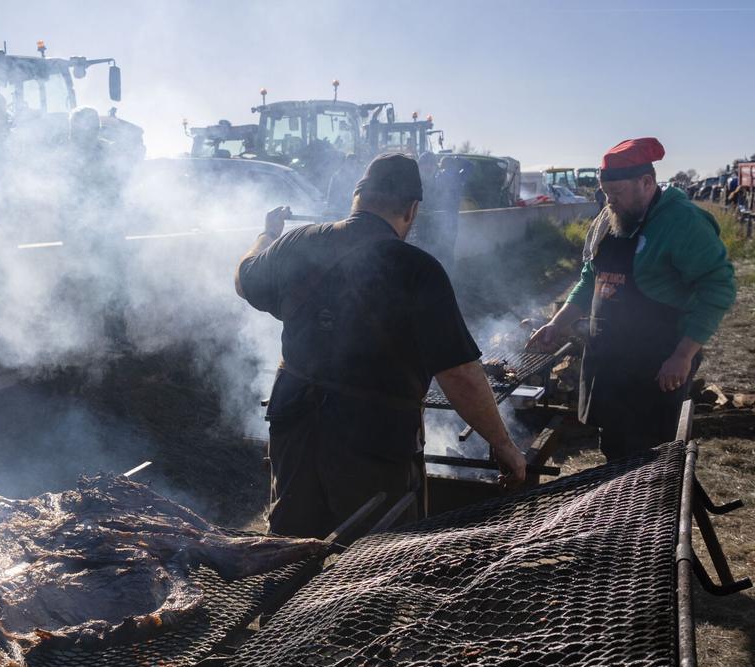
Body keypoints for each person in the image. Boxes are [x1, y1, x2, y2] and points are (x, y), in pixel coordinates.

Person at [235, 153, 527, 539]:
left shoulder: (296, 242)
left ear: (357, 197)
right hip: (372, 443)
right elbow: (459, 375)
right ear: (412, 209)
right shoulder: (418, 269)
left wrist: (268, 233)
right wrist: (503, 444)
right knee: (370, 560)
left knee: (291, 547)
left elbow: (244, 279)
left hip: (295, 427)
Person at [528, 138, 736, 461]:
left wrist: (683, 355)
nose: (610, 203)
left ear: (647, 182)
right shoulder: (611, 220)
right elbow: (590, 278)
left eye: (618, 194)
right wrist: (557, 324)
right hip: (610, 361)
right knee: (613, 449)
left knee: (650, 459)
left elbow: (718, 286)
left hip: (655, 364)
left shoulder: (681, 223)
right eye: (606, 195)